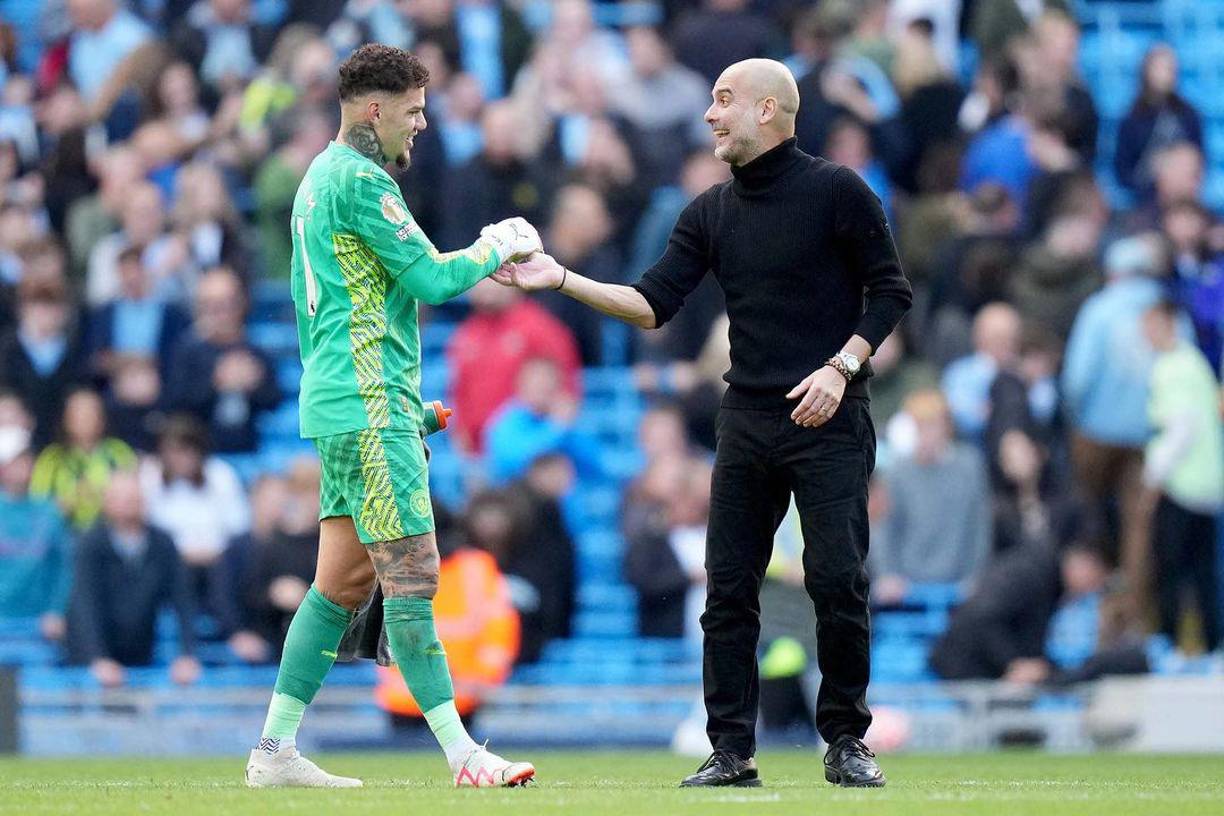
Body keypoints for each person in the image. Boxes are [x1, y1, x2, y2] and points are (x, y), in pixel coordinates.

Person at [500, 58, 911, 788]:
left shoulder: (838, 192)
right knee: (727, 591)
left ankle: (847, 740)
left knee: (838, 581)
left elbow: (890, 293)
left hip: (831, 412)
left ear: (769, 111)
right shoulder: (709, 211)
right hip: (747, 417)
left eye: (724, 101)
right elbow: (652, 302)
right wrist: (560, 277)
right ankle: (732, 751)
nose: (709, 115)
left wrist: (840, 367)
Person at [246, 44, 541, 789]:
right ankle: (463, 754)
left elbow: (342, 307)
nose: (423, 124)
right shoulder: (364, 183)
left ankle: (274, 752)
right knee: (412, 577)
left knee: (340, 586)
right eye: (412, 110)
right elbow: (434, 279)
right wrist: (497, 243)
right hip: (368, 410)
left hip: (350, 404)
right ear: (373, 109)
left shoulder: (317, 180)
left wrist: (411, 411)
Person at [65, 471, 201, 688]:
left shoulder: (163, 543)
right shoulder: (90, 544)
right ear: (106, 502)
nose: (127, 505)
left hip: (141, 650)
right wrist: (97, 658)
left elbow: (183, 600)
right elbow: (84, 604)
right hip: (94, 657)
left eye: (133, 498)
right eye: (120, 498)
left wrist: (188, 654)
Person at [1142, 300, 1222, 653]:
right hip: (1209, 486)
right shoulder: (1195, 361)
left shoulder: (1172, 367)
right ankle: (1214, 644)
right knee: (1206, 573)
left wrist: (1153, 476)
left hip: (1182, 485)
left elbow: (1180, 430)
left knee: (1172, 571)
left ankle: (1171, 646)